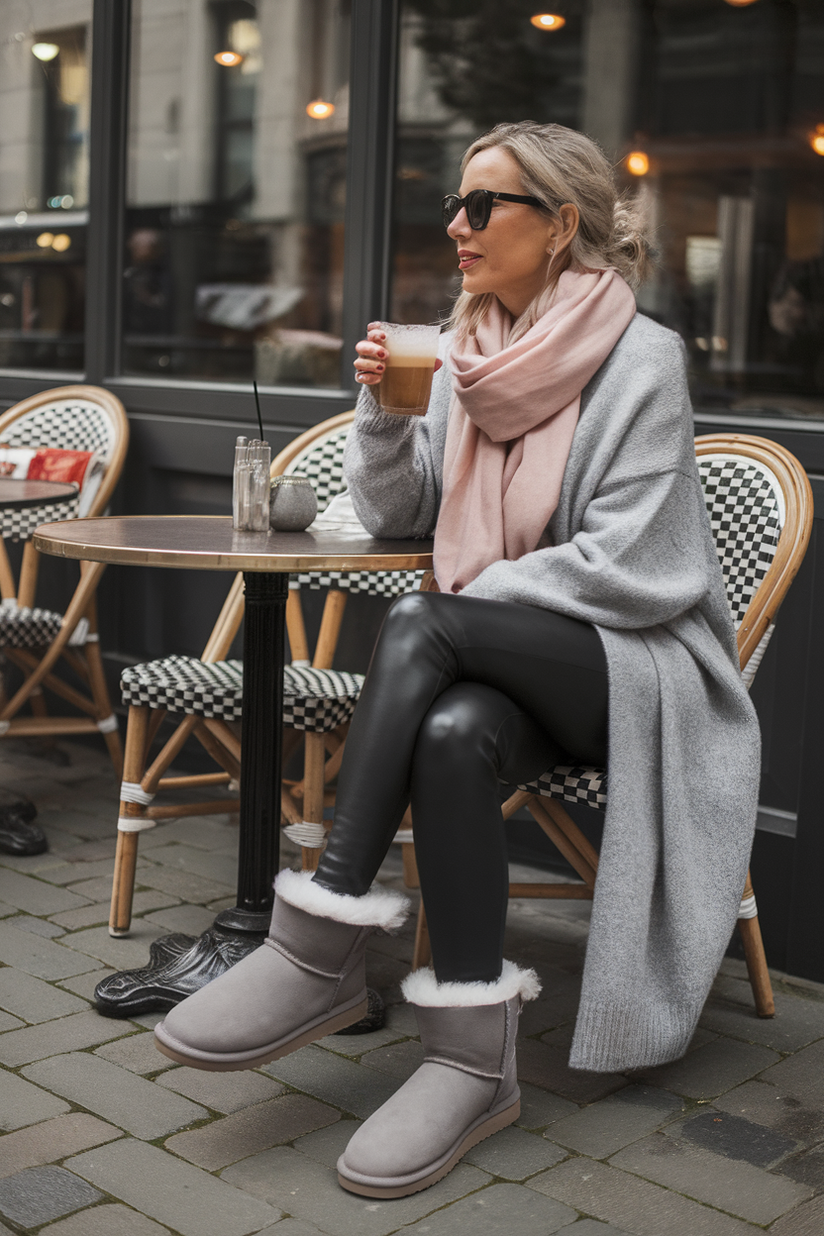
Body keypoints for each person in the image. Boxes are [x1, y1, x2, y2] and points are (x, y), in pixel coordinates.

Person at [152, 122, 761, 1199]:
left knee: (423, 622)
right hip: (499, 660)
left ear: (559, 224)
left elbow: (631, 565)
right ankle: (470, 1059)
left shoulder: (641, 359)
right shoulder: (465, 349)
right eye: (457, 203)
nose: (456, 227)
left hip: (631, 665)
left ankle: (318, 944)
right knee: (451, 730)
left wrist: (466, 602)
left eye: (484, 206)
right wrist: (381, 416)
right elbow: (394, 514)